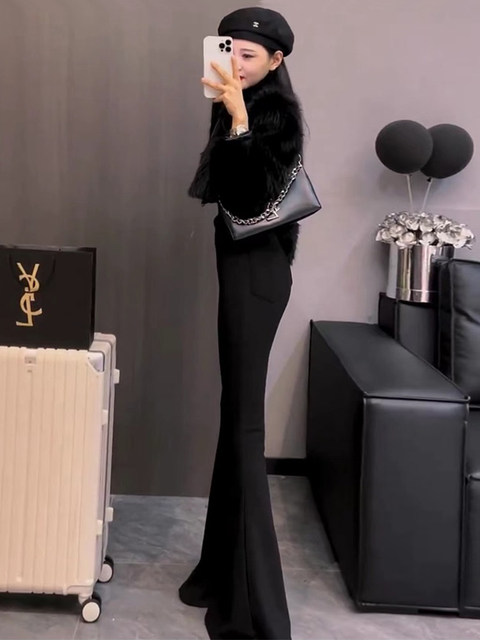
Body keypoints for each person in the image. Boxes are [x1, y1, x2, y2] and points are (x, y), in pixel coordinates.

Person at [179, 7, 304, 639]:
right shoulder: (235, 102)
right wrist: (230, 112)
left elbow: (254, 199)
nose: (237, 62)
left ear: (276, 61)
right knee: (235, 419)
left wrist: (239, 118)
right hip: (238, 268)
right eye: (230, 49)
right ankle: (219, 577)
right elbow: (218, 190)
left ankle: (257, 616)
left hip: (258, 276)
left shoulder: (275, 116)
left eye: (249, 55)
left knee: (246, 427)